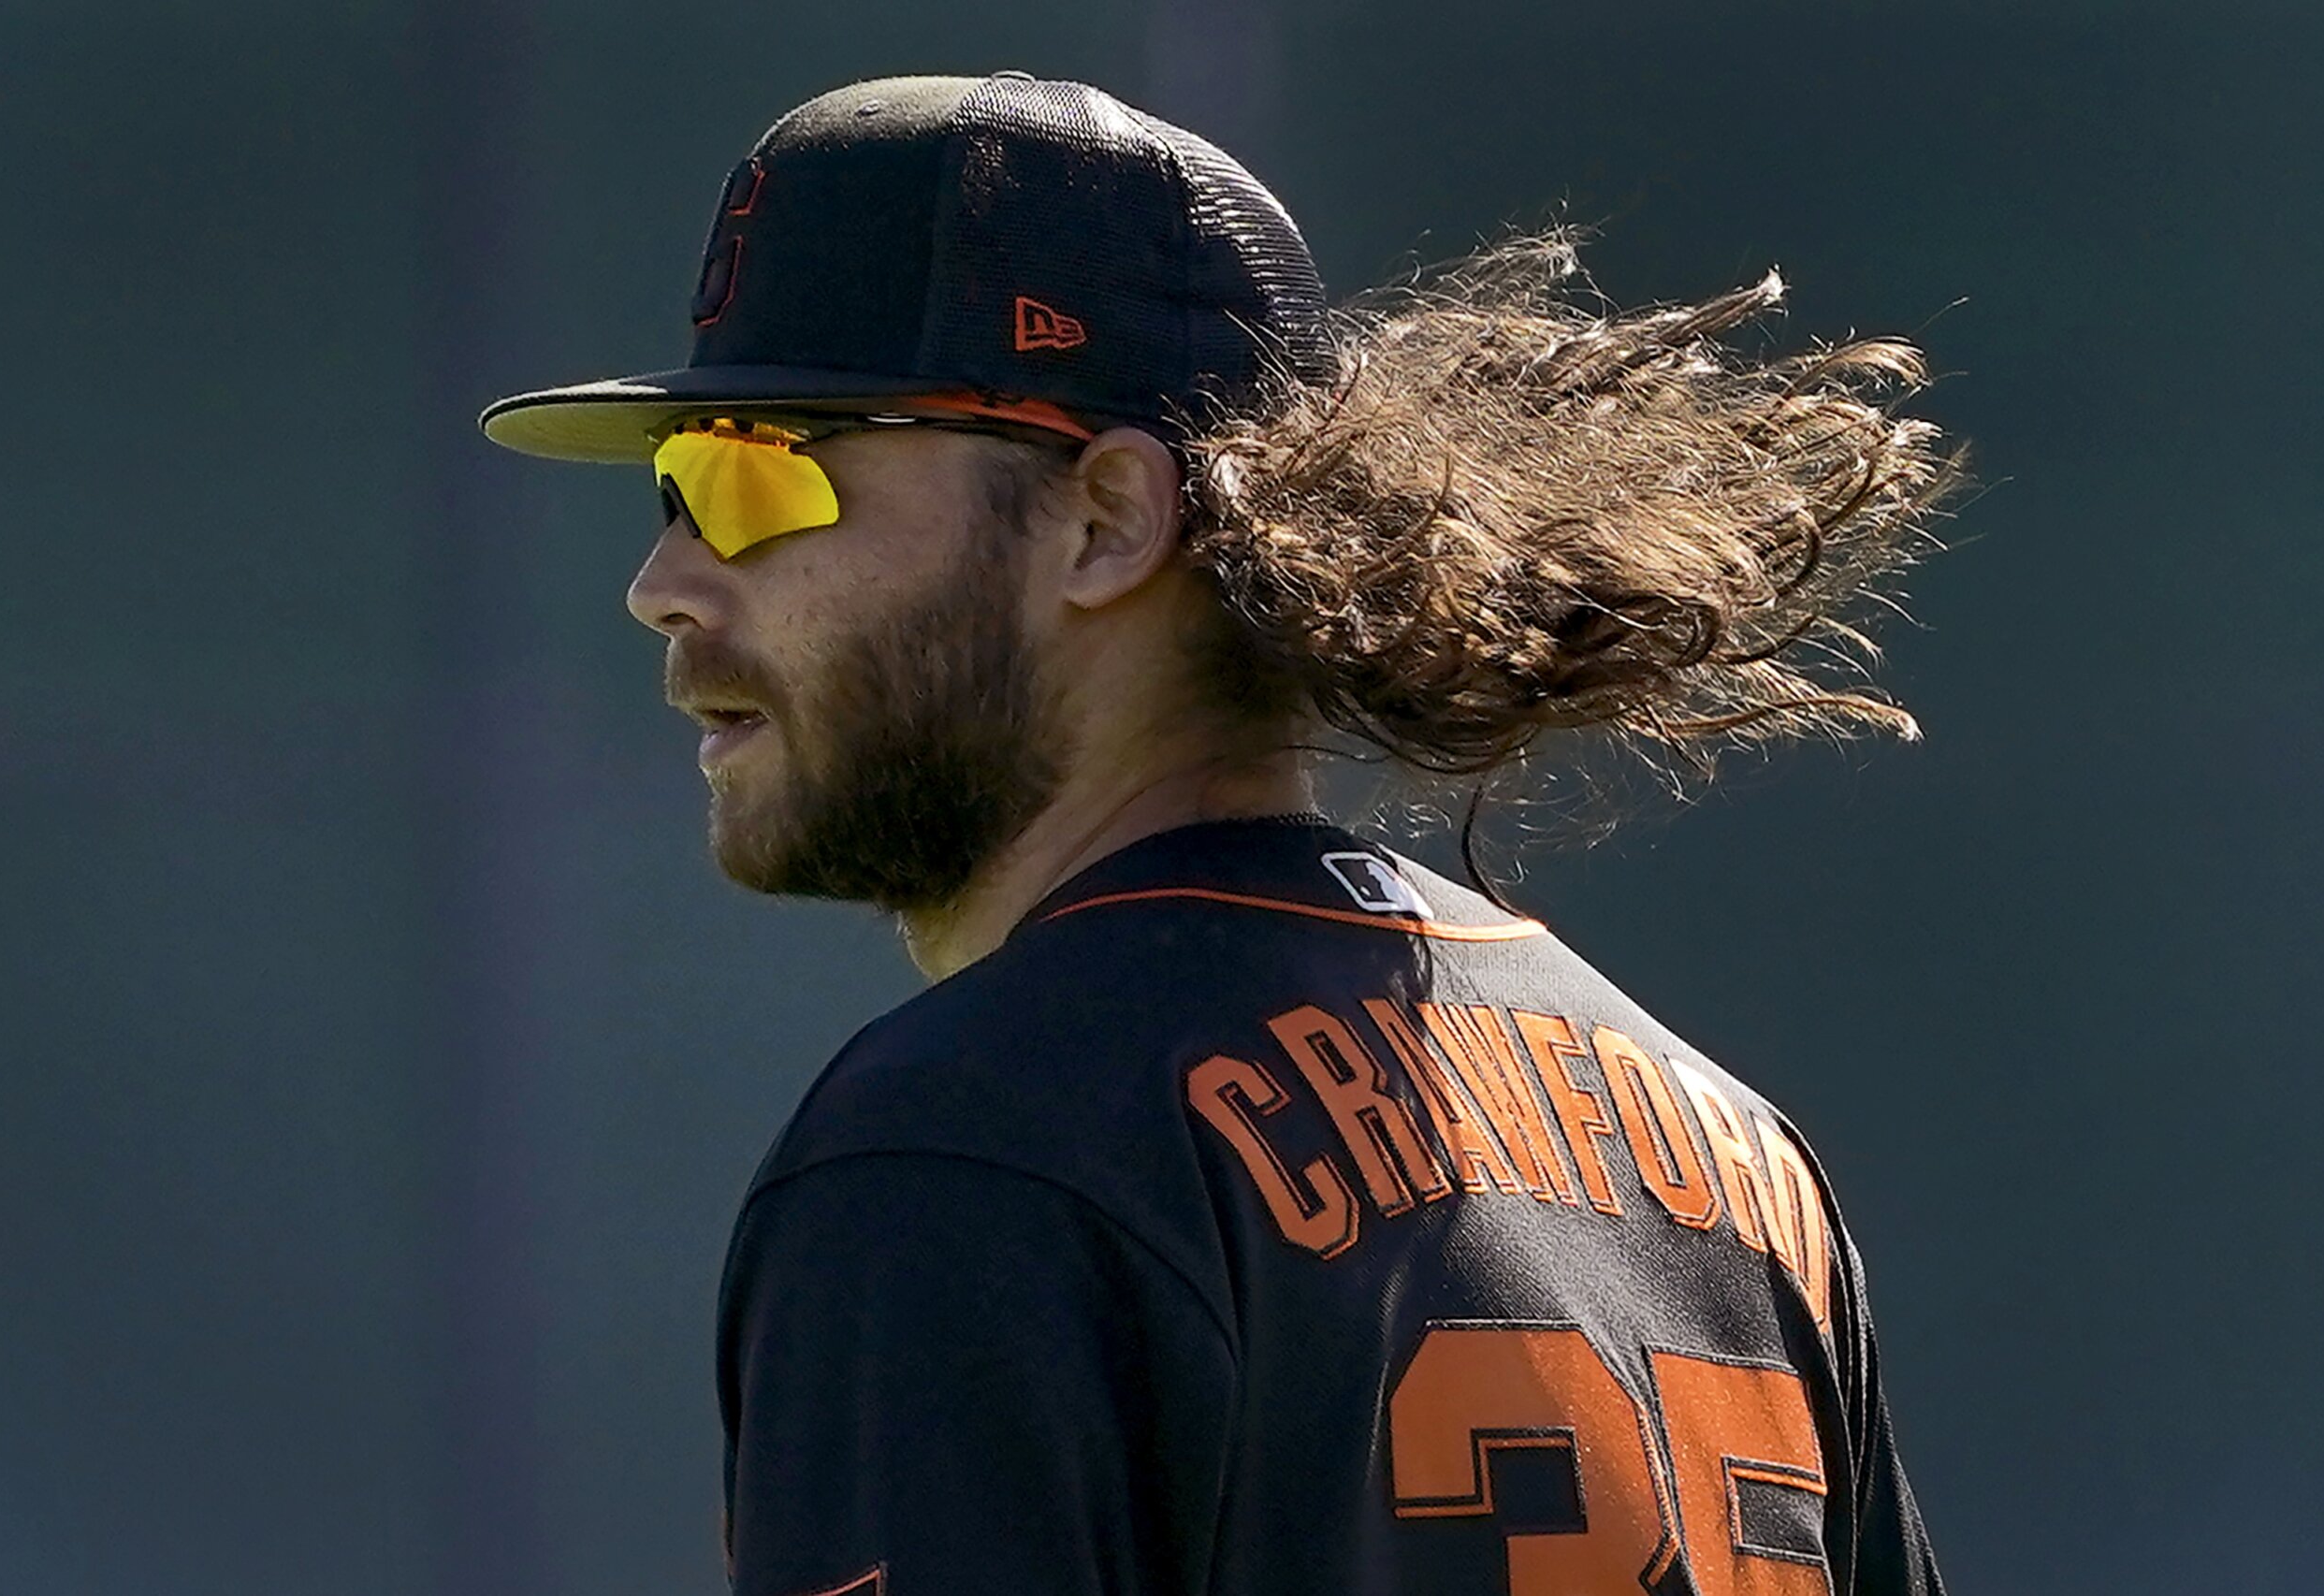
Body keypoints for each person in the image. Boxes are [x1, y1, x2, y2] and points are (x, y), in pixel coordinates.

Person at [482, 71, 1957, 1596]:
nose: (665, 583)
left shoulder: (964, 1144)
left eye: (752, 475)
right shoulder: (1732, 1155)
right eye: (672, 486)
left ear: (1109, 518)